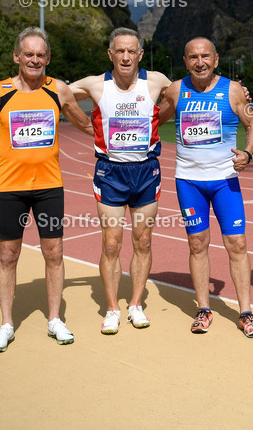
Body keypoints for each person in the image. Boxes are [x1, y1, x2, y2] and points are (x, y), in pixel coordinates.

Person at [0, 27, 94, 352]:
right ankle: (6, 323)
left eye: (40, 55)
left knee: (54, 253)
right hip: (11, 189)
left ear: (48, 59)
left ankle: (55, 319)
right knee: (7, 255)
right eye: (28, 54)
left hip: (49, 189)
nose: (34, 60)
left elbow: (84, 122)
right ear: (17, 57)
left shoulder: (56, 89)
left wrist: (119, 128)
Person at [68, 28, 172, 335]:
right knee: (111, 243)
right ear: (110, 54)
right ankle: (113, 308)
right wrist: (87, 126)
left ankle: (135, 304)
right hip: (110, 172)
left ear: (140, 54)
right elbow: (53, 92)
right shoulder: (94, 84)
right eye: (119, 51)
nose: (125, 57)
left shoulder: (157, 81)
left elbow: (189, 90)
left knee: (143, 241)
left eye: (131, 51)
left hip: (145, 171)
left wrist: (238, 91)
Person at [158, 37, 253, 338]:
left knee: (237, 245)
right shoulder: (177, 90)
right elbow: (155, 119)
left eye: (205, 56)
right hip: (189, 182)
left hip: (225, 182)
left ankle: (245, 313)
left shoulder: (231, 90)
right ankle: (203, 308)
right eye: (193, 57)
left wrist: (248, 153)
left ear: (216, 59)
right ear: (185, 60)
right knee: (197, 244)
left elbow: (252, 125)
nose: (199, 62)